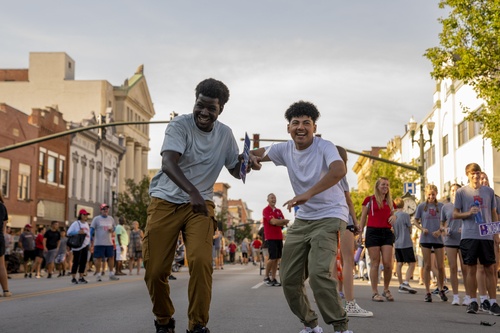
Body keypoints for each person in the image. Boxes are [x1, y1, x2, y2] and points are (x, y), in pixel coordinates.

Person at [144, 78, 257, 333]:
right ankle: (163, 319)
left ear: (221, 109)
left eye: (211, 108)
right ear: (195, 102)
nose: (204, 112)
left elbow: (234, 169)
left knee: (201, 262)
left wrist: (246, 164)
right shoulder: (179, 125)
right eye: (200, 105)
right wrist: (192, 191)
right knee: (154, 270)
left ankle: (197, 325)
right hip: (166, 201)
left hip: (201, 205)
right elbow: (168, 163)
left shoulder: (225, 134)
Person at [251, 100, 351, 333]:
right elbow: (253, 153)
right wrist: (250, 159)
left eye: (307, 123)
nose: (301, 127)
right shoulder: (283, 149)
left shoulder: (325, 146)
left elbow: (339, 170)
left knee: (318, 274)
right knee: (289, 279)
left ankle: (341, 327)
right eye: (295, 123)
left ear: (314, 127)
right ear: (289, 128)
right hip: (304, 220)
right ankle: (311, 325)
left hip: (330, 215)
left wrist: (307, 194)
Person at [454, 163, 500, 315]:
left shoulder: (489, 192)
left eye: (478, 173)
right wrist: (467, 213)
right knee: (471, 269)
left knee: (490, 269)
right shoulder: (461, 192)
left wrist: (495, 233)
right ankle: (472, 301)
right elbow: (455, 214)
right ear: (467, 175)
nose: (475, 176)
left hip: (486, 235)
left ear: (481, 174)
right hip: (469, 235)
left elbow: (494, 213)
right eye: (472, 173)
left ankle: (493, 303)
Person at [335, 146, 373, 317]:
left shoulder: (320, 174)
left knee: (330, 263)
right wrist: (357, 223)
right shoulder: (340, 175)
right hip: (344, 221)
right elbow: (349, 201)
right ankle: (350, 304)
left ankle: (333, 301)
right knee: (348, 262)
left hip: (326, 221)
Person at [358, 177, 396, 303]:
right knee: (375, 262)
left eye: (387, 185)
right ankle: (375, 292)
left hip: (386, 232)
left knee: (388, 264)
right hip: (372, 231)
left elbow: (394, 214)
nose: (385, 187)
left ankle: (386, 289)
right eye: (383, 184)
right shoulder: (369, 200)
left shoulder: (390, 202)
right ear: (377, 186)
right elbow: (363, 218)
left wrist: (394, 216)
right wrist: (359, 234)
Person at [414, 184, 447, 303]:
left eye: (433, 194)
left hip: (438, 238)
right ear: (426, 194)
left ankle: (441, 288)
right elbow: (415, 221)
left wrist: (441, 230)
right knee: (427, 265)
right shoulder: (422, 206)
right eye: (429, 194)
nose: (431, 197)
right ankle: (427, 291)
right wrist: (422, 229)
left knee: (440, 266)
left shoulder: (441, 206)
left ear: (436, 194)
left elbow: (446, 221)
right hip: (426, 238)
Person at [441, 184, 466, 305]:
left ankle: (468, 295)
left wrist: (465, 227)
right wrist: (444, 229)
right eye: (452, 190)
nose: (454, 192)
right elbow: (442, 224)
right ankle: (455, 296)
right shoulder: (446, 207)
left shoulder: (465, 205)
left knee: (466, 268)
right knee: (452, 268)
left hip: (464, 239)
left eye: (457, 190)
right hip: (450, 239)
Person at [392, 197, 417, 295]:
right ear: (403, 205)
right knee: (412, 263)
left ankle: (400, 283)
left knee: (399, 263)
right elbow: (410, 228)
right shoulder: (405, 215)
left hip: (397, 243)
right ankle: (406, 282)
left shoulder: (393, 216)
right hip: (406, 242)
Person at [262, 193, 288, 287]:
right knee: (272, 258)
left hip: (279, 237)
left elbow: (284, 223)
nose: (274, 199)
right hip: (270, 237)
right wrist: (279, 222)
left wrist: (278, 222)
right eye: (272, 198)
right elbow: (273, 221)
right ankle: (266, 277)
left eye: (275, 198)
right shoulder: (266, 210)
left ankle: (273, 278)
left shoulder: (278, 211)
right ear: (268, 200)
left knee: (277, 259)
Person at [90, 203, 119, 282]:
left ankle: (111, 274)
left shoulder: (111, 218)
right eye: (104, 209)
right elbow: (92, 229)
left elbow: (115, 227)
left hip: (109, 242)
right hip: (99, 242)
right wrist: (90, 240)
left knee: (111, 257)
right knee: (98, 258)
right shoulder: (96, 219)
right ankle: (98, 275)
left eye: (107, 209)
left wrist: (112, 230)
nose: (105, 210)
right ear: (101, 210)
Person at [67, 209, 91, 284]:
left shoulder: (86, 224)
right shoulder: (76, 223)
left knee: (83, 262)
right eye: (84, 214)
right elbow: (68, 233)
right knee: (76, 262)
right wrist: (77, 232)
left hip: (85, 245)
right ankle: (73, 277)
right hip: (78, 245)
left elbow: (88, 235)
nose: (85, 216)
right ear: (80, 215)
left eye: (86, 215)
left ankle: (81, 277)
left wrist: (89, 244)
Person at [0, 192, 11, 297]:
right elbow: (4, 227)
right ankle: (6, 291)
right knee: (1, 265)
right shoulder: (2, 207)